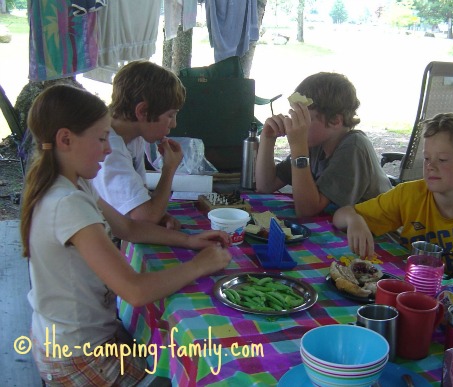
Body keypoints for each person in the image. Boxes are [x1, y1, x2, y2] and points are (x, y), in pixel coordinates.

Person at [20, 84, 232, 385]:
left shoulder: (72, 184)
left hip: (70, 339)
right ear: (66, 139)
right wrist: (201, 265)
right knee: (188, 372)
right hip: (78, 356)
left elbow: (128, 228)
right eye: (102, 138)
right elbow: (135, 291)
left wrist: (189, 241)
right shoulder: (67, 203)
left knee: (163, 352)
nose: (108, 149)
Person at [332, 113, 453, 286]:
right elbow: (340, 216)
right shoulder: (409, 194)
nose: (430, 166)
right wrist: (354, 219)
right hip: (407, 286)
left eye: (442, 160)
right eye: (427, 158)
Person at [255, 72, 392, 217]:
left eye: (304, 118)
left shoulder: (354, 147)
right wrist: (267, 139)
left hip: (379, 233)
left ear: (335, 121)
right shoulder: (316, 143)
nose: (297, 125)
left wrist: (298, 147)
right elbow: (265, 186)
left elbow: (307, 211)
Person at [92, 60, 185, 229]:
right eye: (170, 116)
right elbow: (144, 218)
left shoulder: (133, 136)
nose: (173, 124)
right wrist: (169, 169)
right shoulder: (109, 150)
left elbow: (143, 200)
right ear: (142, 111)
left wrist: (160, 214)